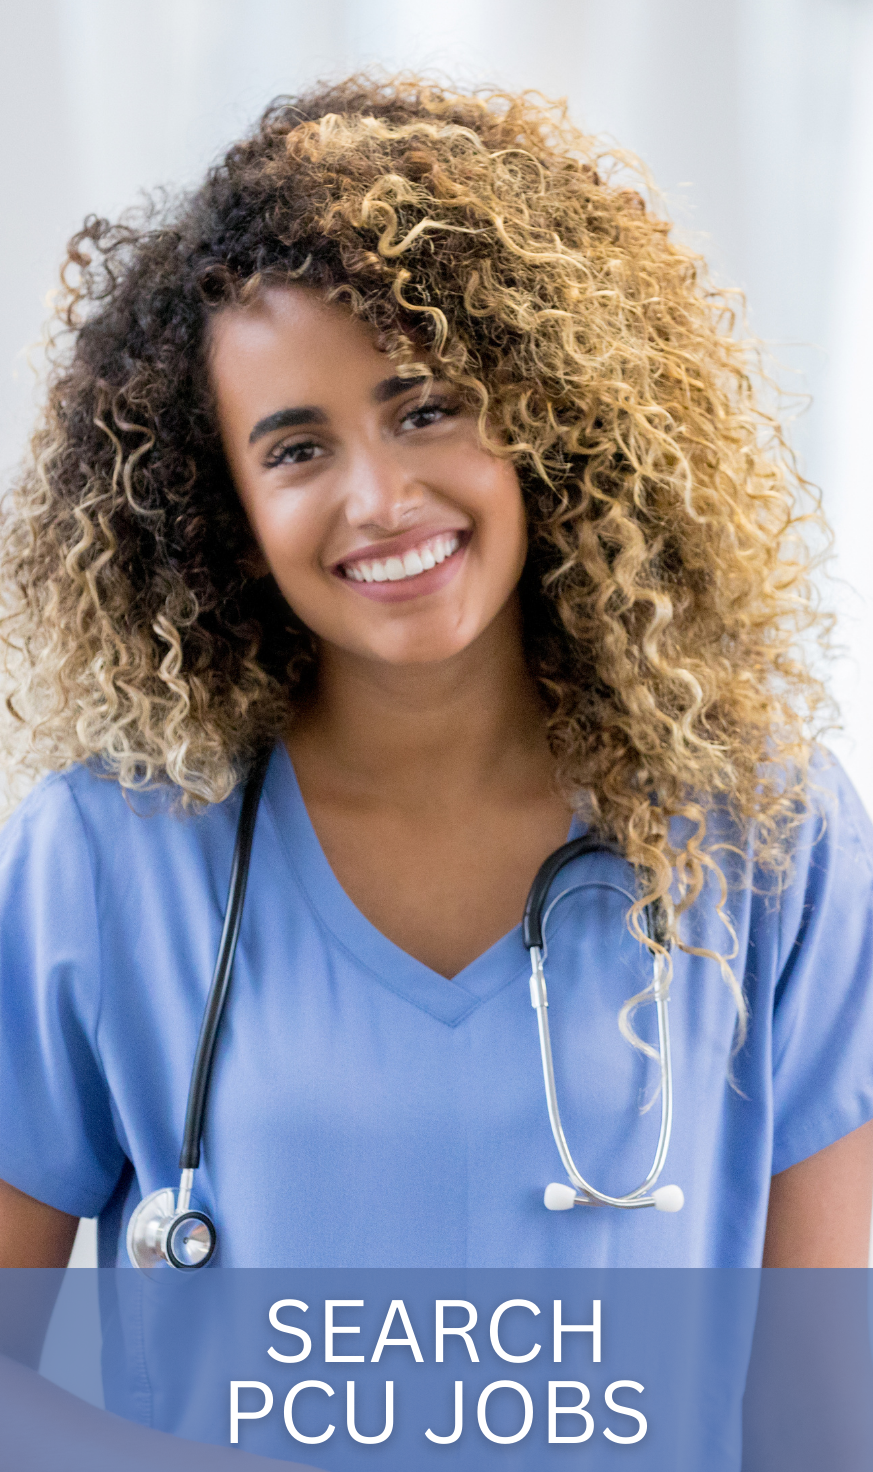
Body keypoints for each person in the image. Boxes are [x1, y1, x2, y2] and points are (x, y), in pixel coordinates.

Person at [0, 75, 872, 1296]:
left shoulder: (771, 835)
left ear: (547, 418)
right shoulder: (103, 859)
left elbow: (818, 1387)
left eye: (425, 410)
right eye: (298, 449)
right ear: (224, 515)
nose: (381, 500)